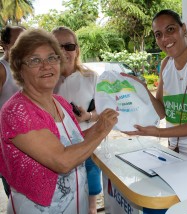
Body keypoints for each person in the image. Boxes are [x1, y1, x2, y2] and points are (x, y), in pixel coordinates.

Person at [0, 28, 119, 213]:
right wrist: (101, 129)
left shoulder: (60, 102)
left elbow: (76, 141)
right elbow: (62, 160)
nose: (46, 65)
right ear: (19, 68)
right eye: (34, 60)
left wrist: (103, 121)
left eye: (52, 58)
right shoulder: (17, 111)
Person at [124, 9, 187, 180]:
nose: (165, 39)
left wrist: (157, 132)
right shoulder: (166, 64)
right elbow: (162, 111)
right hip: (175, 156)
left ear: (183, 29)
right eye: (158, 34)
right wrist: (142, 88)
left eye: (170, 29)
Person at [52, 26, 102, 214]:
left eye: (69, 46)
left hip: (87, 147)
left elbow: (104, 110)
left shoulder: (90, 77)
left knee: (90, 205)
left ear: (77, 50)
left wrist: (88, 116)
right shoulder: (47, 80)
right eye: (58, 46)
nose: (64, 51)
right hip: (57, 151)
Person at [0, 25, 25, 198]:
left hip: (30, 140)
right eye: (18, 42)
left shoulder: (25, 66)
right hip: (9, 144)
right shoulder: (2, 69)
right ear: (5, 44)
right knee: (16, 195)